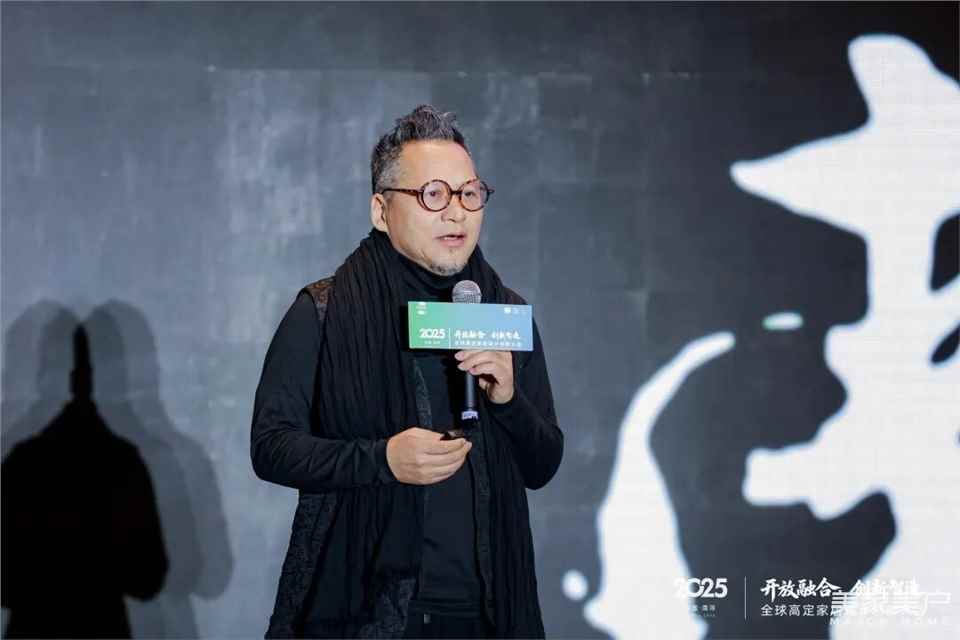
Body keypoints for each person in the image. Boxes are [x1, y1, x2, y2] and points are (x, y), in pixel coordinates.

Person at [251, 104, 563, 639]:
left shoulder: (502, 313)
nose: (456, 213)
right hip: (367, 613)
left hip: (487, 614)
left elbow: (543, 464)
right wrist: (382, 459)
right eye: (433, 195)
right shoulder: (325, 312)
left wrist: (509, 401)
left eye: (469, 194)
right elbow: (272, 447)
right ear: (381, 210)